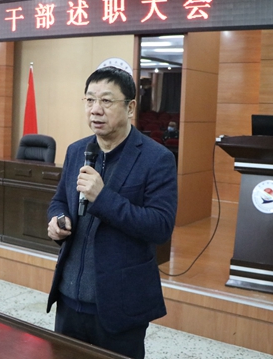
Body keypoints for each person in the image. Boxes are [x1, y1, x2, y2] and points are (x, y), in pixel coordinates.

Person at [46, 66, 178, 359]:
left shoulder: (157, 159)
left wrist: (102, 198)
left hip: (121, 304)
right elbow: (59, 200)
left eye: (106, 101)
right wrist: (57, 221)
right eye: (90, 100)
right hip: (69, 297)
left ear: (130, 107)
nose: (96, 109)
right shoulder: (76, 151)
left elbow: (160, 226)